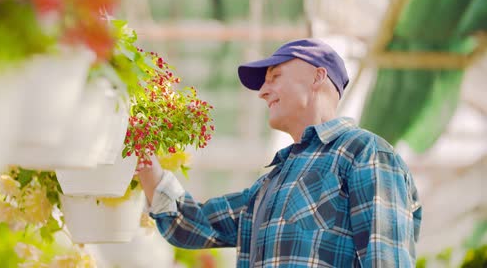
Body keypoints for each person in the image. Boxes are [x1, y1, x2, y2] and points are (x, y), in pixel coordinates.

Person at [138, 38, 422, 267]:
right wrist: (148, 168)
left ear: (317, 77)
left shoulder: (364, 154)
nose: (262, 91)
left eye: (274, 76)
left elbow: (386, 261)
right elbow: (195, 225)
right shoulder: (269, 185)